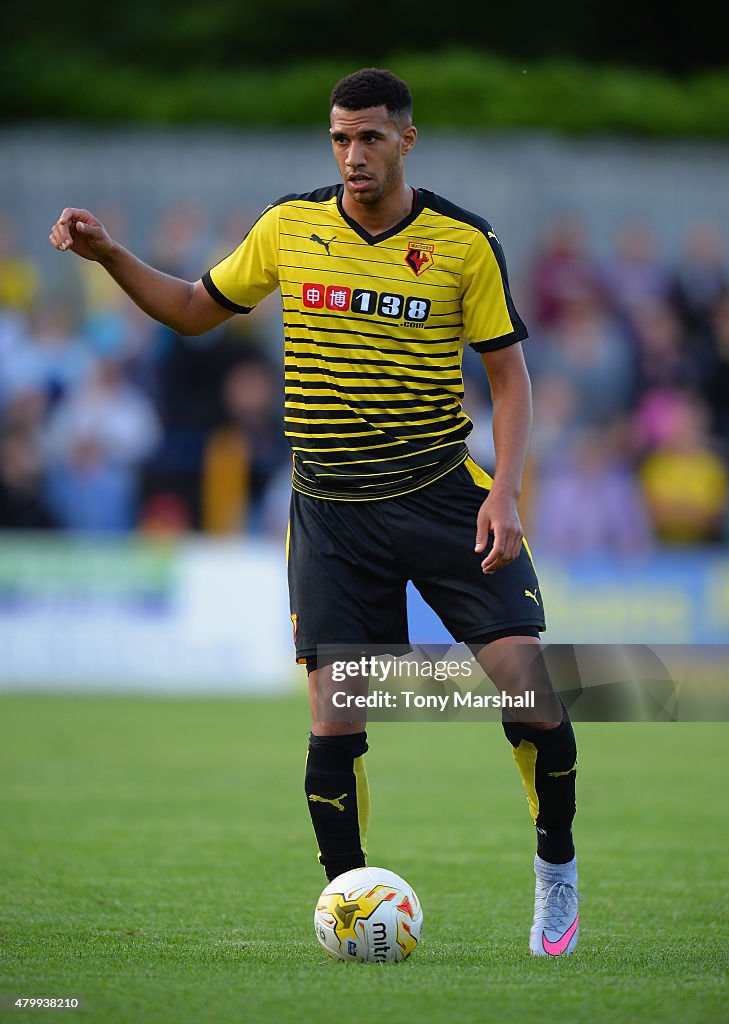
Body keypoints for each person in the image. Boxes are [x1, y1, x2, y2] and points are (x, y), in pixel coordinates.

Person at [48, 68, 580, 957]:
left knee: (527, 685)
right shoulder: (289, 226)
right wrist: (109, 256)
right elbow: (189, 308)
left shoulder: (461, 241)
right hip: (331, 514)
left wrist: (506, 490)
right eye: (339, 138)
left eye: (369, 137)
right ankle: (349, 901)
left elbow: (507, 373)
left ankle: (555, 872)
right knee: (335, 717)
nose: (352, 155)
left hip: (441, 496)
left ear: (406, 140)